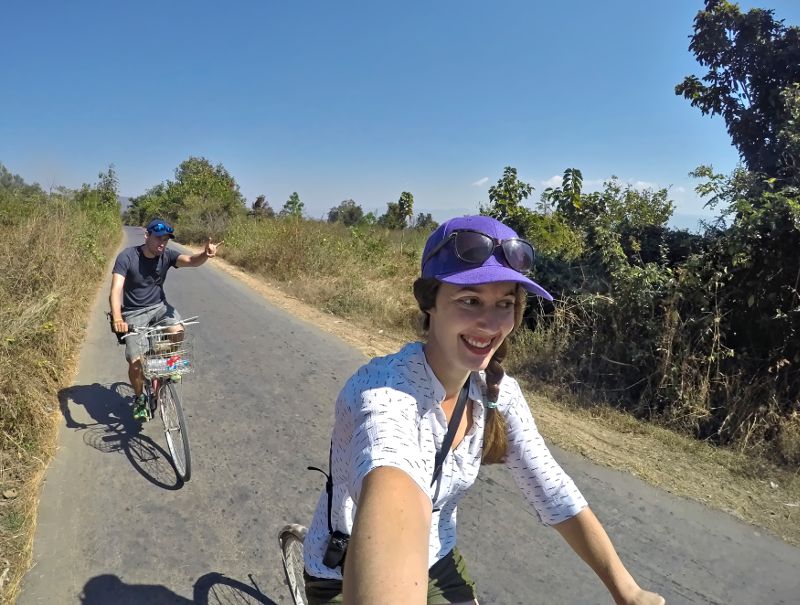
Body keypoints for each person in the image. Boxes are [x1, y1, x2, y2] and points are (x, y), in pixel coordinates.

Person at [302, 215, 665, 605]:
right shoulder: (382, 394)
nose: (490, 324)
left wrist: (627, 591)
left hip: (436, 558)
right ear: (430, 302)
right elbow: (394, 486)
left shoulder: (498, 395)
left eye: (505, 303)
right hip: (343, 570)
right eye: (470, 300)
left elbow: (553, 490)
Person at [108, 218, 222, 421]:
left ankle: (168, 362)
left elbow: (190, 261)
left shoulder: (166, 256)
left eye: (166, 240)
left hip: (159, 308)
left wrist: (205, 254)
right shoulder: (127, 257)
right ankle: (139, 398)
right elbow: (116, 289)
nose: (162, 243)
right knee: (135, 363)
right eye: (158, 238)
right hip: (134, 313)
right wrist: (118, 317)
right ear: (147, 236)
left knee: (177, 330)